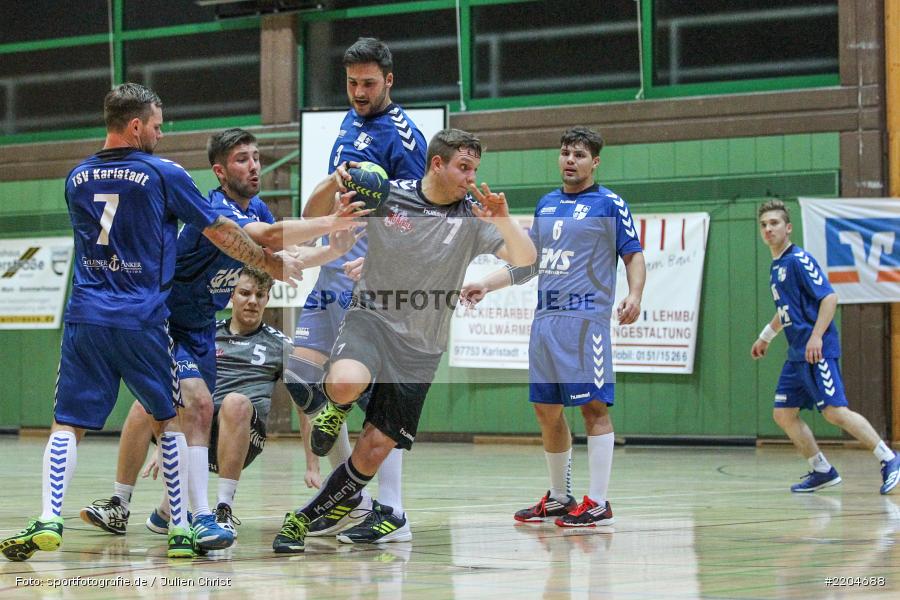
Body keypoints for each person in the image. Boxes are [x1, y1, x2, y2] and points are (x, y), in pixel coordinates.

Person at [0, 84, 302, 561]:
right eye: (158, 126)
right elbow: (221, 231)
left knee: (65, 425)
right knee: (171, 421)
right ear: (136, 125)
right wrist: (271, 265)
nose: (161, 134)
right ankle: (182, 528)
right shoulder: (164, 174)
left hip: (85, 317)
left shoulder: (75, 177)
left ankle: (48, 516)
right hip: (143, 316)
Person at [76, 128, 362, 552]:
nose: (254, 166)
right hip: (163, 322)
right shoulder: (214, 208)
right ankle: (161, 509)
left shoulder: (258, 207)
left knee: (192, 411)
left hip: (198, 329)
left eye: (257, 157)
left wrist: (333, 248)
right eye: (242, 159)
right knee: (174, 405)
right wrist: (330, 221)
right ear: (220, 170)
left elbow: (282, 260)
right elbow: (268, 239)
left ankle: (184, 512)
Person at [272, 128, 537, 553]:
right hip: (372, 319)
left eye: (475, 168)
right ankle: (333, 410)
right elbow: (314, 214)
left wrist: (503, 220)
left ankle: (301, 520)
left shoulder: (473, 218)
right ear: (438, 163)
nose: (471, 177)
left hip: (421, 349)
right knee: (343, 381)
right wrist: (333, 185)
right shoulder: (389, 194)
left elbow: (527, 261)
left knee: (374, 448)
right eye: (463, 167)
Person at [461, 126, 645, 527]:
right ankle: (561, 497)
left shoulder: (610, 204)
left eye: (579, 155)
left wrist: (635, 294)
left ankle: (597, 501)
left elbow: (633, 255)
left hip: (585, 322)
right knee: (546, 409)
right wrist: (486, 285)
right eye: (565, 153)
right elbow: (528, 262)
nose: (570, 160)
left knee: (593, 408)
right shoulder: (546, 205)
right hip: (545, 321)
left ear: (595, 161)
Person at [290, 36, 427, 543]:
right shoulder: (349, 124)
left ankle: (389, 510)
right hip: (332, 268)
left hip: (372, 278)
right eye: (352, 83)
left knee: (375, 396)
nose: (359, 91)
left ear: (389, 81)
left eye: (369, 83)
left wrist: (380, 260)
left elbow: (421, 216)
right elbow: (324, 206)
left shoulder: (404, 139)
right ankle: (354, 494)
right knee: (301, 376)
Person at [751, 199, 900, 494]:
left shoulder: (798, 260)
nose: (768, 229)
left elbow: (829, 298)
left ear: (788, 228)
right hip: (797, 353)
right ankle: (821, 469)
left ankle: (889, 458)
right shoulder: (777, 265)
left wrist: (817, 337)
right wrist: (766, 336)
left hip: (816, 350)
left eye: (774, 223)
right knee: (783, 413)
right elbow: (786, 311)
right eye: (764, 225)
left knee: (834, 411)